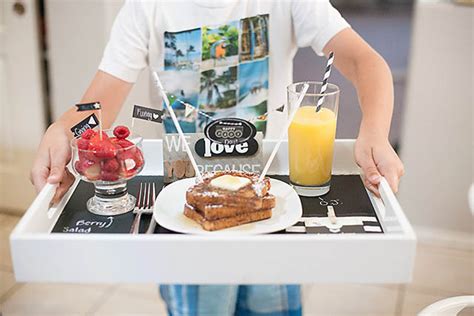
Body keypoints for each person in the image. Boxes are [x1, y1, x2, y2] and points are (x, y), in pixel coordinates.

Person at [30, 0, 404, 315]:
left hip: (269, 205)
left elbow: (364, 61)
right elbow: (99, 101)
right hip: (185, 211)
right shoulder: (147, 7)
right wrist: (64, 128)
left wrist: (375, 130)